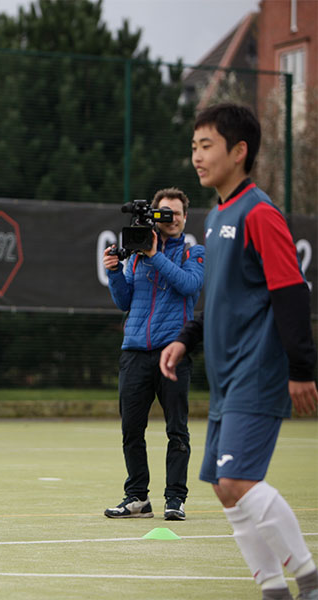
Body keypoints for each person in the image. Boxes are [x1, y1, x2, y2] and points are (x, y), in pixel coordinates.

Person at [161, 103, 318, 600]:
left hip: (259, 370)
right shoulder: (217, 216)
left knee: (238, 481)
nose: (197, 157)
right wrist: (186, 338)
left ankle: (310, 581)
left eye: (206, 145)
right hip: (227, 377)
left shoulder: (260, 213)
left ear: (239, 151)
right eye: (194, 146)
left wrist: (301, 368)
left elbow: (292, 292)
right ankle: (274, 589)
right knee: (223, 486)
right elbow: (218, 298)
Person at [101, 187, 205, 521]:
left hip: (172, 352)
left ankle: (175, 498)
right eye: (162, 213)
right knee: (131, 428)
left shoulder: (193, 253)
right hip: (133, 351)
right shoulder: (137, 255)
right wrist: (116, 270)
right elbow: (124, 302)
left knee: (177, 429)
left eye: (174, 213)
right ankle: (137, 497)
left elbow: (189, 285)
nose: (168, 219)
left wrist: (154, 253)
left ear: (185, 217)